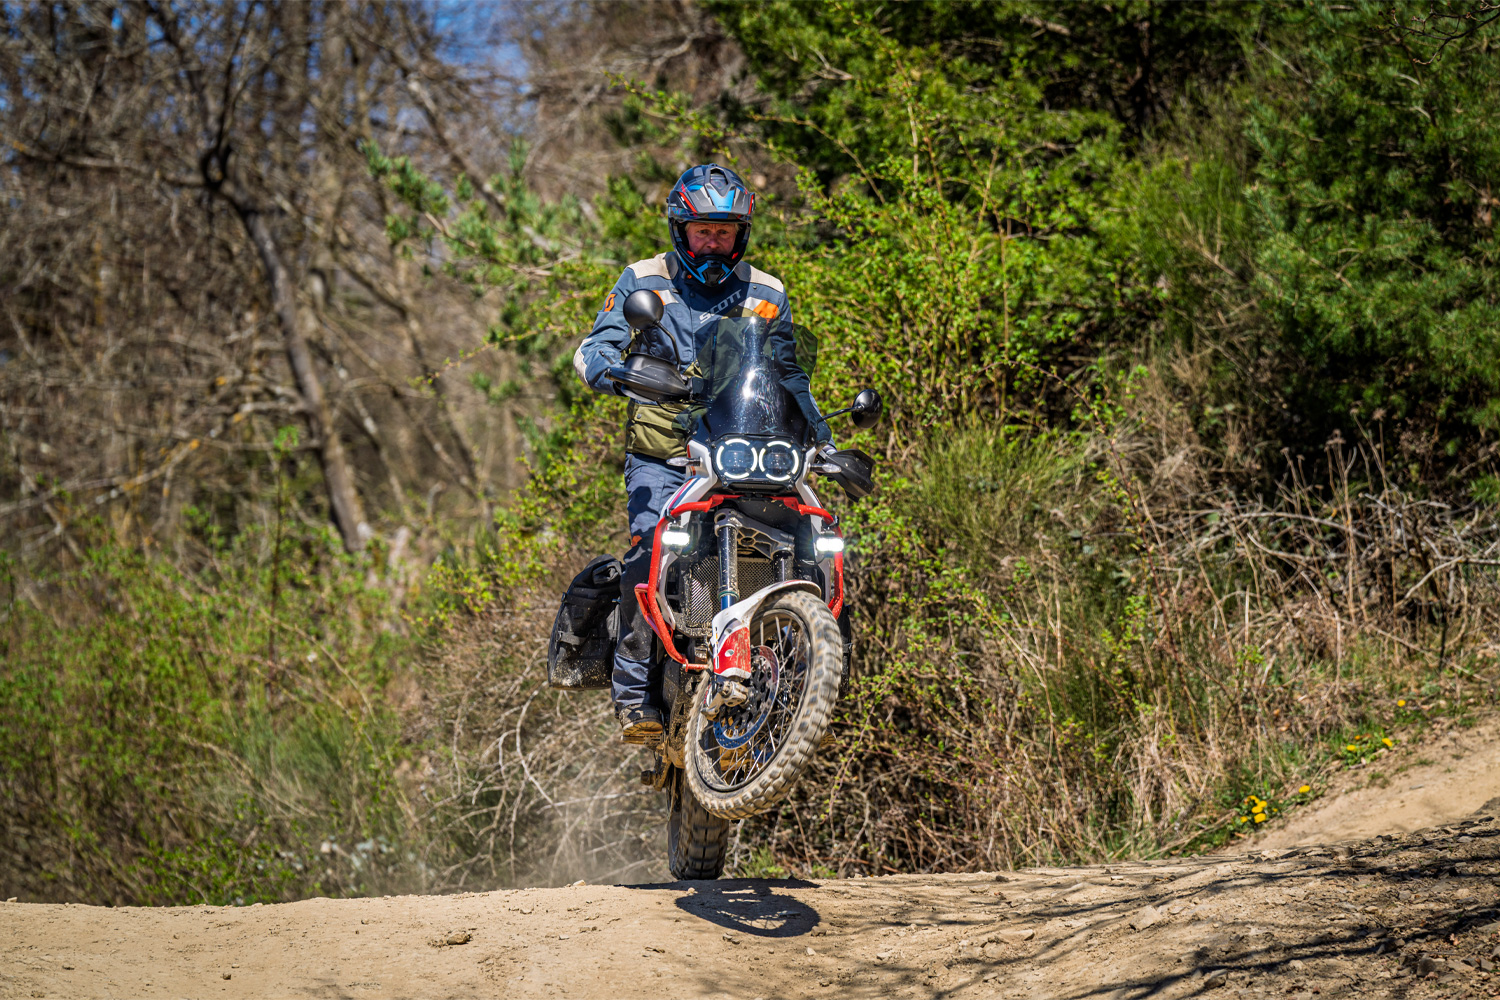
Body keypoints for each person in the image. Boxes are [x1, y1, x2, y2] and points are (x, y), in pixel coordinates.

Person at [573, 163, 828, 743]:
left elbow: (789, 374)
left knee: (821, 550)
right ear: (679, 230)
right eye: (703, 232)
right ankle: (634, 696)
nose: (714, 243)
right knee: (650, 552)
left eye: (726, 232)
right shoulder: (644, 280)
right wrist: (623, 373)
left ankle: (811, 695)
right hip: (665, 454)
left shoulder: (766, 292)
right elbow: (592, 350)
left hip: (745, 452)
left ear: (742, 234)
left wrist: (822, 436)